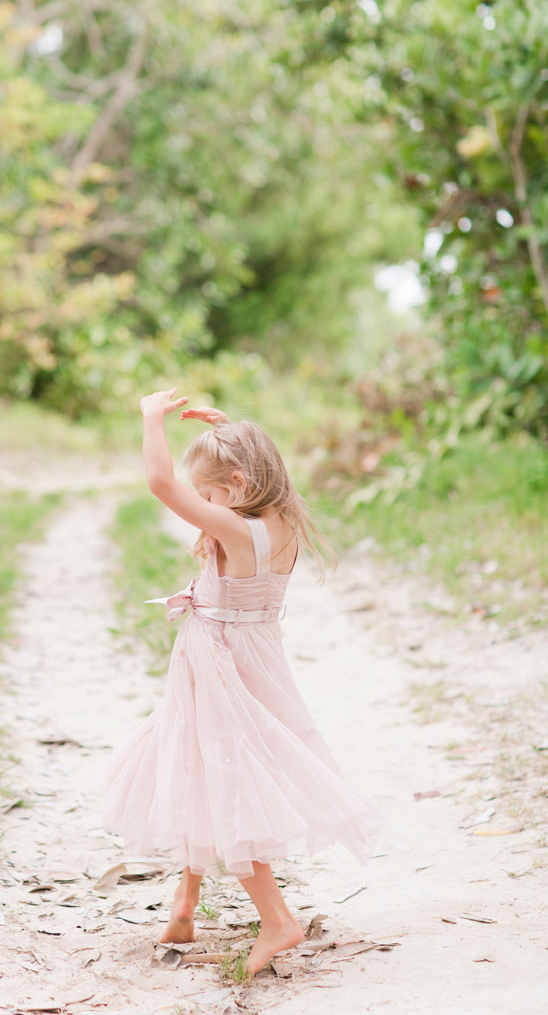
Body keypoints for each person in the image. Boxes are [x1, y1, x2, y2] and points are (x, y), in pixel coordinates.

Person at [99, 388, 386, 977]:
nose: (203, 503)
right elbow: (248, 476)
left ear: (234, 486)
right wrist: (229, 431)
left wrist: (152, 418)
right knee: (204, 769)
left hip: (219, 659)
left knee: (226, 780)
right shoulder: (279, 515)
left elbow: (160, 483)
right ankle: (184, 904)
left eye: (209, 494)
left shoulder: (234, 529)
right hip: (252, 654)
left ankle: (278, 919)